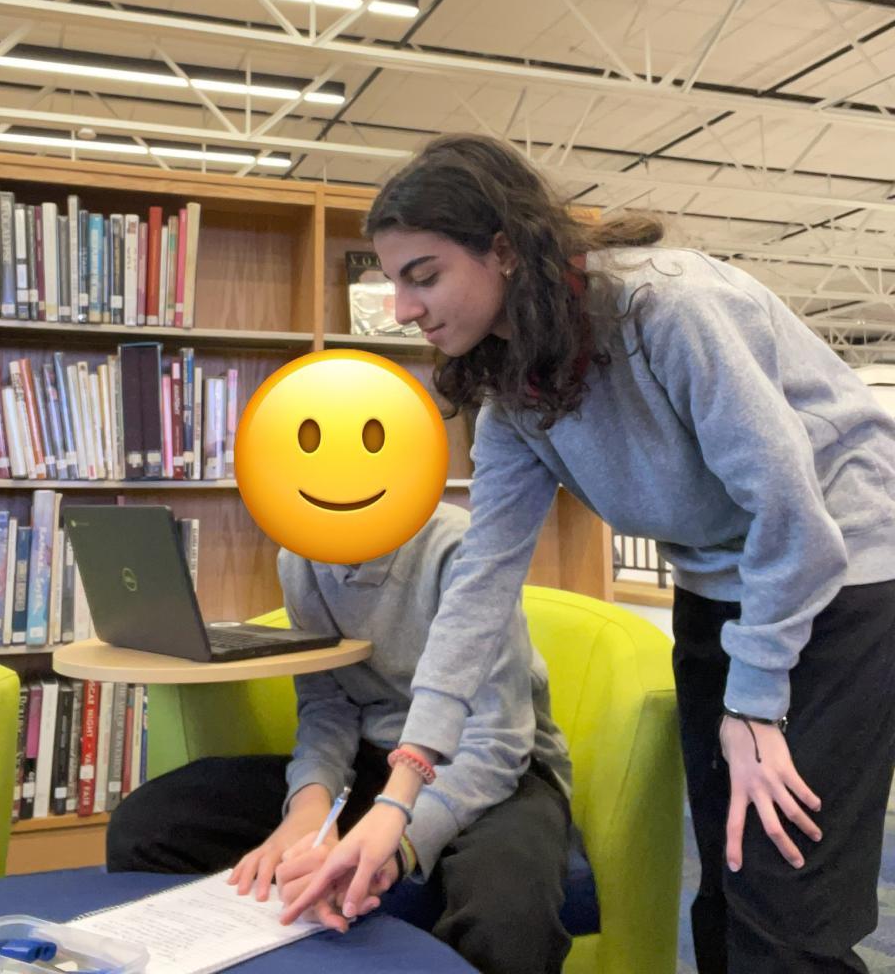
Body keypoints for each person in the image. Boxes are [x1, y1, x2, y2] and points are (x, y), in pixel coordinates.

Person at [282, 133, 895, 974]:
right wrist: (399, 795)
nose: (404, 308)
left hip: (841, 572)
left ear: (504, 249)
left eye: (423, 275)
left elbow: (795, 519)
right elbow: (479, 592)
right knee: (727, 883)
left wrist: (755, 707)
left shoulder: (669, 310)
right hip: (718, 583)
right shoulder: (514, 396)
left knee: (790, 905)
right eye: (393, 282)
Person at [106, 500, 577, 974]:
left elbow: (497, 740)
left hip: (491, 773)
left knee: (508, 912)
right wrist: (309, 809)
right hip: (373, 765)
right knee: (149, 823)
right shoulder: (299, 559)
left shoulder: (458, 545)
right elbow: (327, 707)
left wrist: (397, 846)